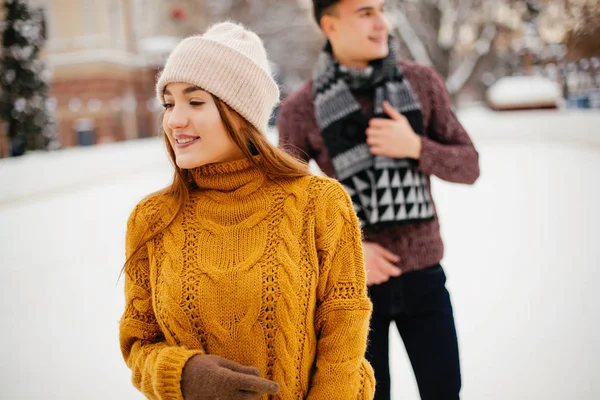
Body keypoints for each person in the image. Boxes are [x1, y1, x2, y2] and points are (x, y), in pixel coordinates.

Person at [119, 21, 375, 400]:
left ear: (239, 112)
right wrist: (184, 374)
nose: (174, 120)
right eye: (169, 103)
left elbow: (344, 334)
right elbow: (139, 343)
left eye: (195, 101)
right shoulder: (152, 219)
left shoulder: (318, 203)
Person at [277, 1, 480, 399]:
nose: (382, 22)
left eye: (382, 10)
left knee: (444, 391)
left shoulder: (421, 83)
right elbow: (286, 210)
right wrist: (352, 250)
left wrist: (416, 146)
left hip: (425, 278)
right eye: (366, 12)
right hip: (353, 289)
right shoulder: (300, 109)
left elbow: (469, 165)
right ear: (331, 25)